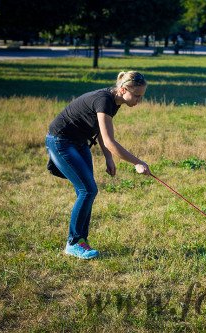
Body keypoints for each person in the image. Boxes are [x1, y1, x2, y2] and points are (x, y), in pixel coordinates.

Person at [45, 71, 151, 259]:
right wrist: (137, 162)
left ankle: (80, 241)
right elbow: (110, 141)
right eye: (136, 95)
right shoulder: (104, 100)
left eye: (141, 96)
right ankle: (73, 243)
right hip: (61, 141)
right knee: (88, 190)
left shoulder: (115, 101)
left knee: (86, 191)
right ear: (123, 89)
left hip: (79, 142)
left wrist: (108, 158)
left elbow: (102, 133)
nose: (138, 100)